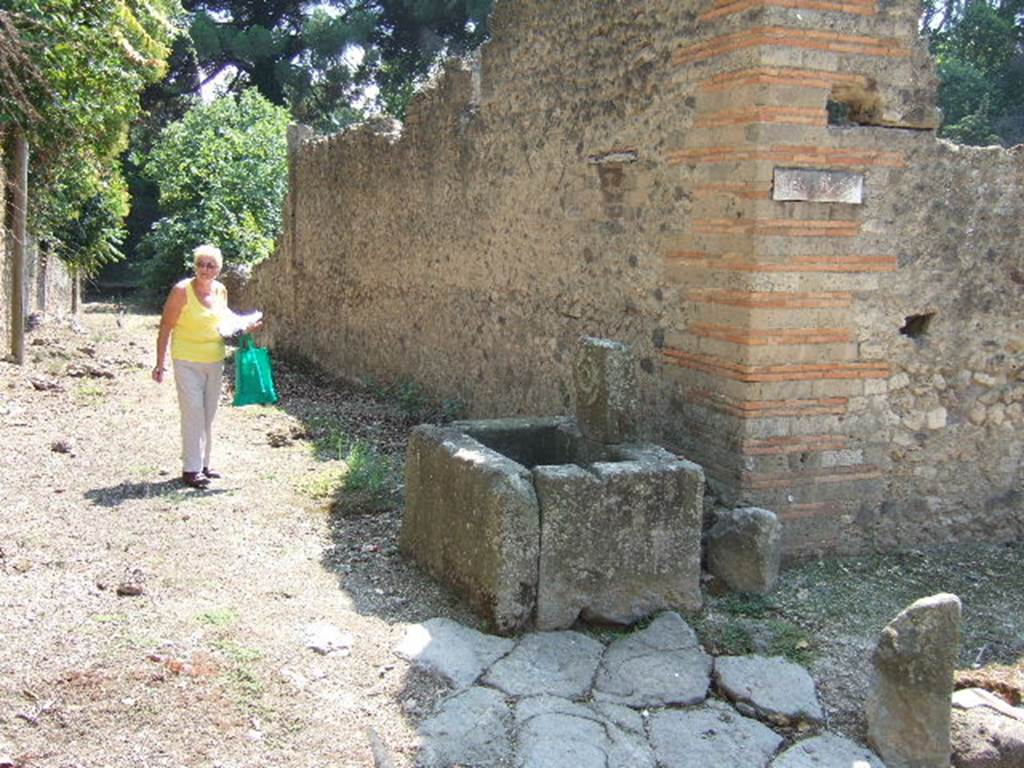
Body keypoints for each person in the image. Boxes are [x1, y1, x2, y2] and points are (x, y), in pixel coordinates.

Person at [152, 245, 258, 488]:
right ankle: (191, 470)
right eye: (201, 264)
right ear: (194, 265)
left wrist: (245, 326)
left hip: (214, 358)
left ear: (219, 269)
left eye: (211, 265)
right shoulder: (181, 291)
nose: (205, 269)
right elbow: (165, 326)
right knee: (193, 412)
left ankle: (204, 465)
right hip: (187, 359)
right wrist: (160, 364)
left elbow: (226, 324)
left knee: (208, 413)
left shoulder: (221, 290)